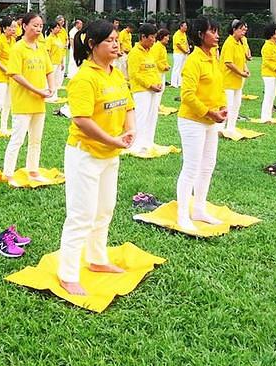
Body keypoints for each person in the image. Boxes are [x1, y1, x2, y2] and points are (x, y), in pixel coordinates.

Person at [57, 19, 133, 296]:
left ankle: (98, 259)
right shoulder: (83, 77)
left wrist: (130, 129)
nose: (116, 44)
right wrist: (113, 139)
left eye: (116, 40)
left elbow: (128, 105)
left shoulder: (115, 73)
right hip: (85, 154)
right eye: (110, 41)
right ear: (92, 45)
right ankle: (68, 274)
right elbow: (81, 120)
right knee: (82, 215)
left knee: (105, 209)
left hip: (110, 154)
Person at [176, 17, 227, 232]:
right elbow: (187, 95)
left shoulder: (213, 57)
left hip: (210, 121)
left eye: (217, 31)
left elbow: (219, 86)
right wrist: (208, 112)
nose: (217, 35)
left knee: (208, 166)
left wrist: (222, 107)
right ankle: (182, 215)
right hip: (192, 121)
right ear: (200, 35)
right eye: (212, 31)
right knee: (191, 167)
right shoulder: (193, 61)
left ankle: (199, 208)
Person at [3, 12, 53, 181]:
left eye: (40, 26)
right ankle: (8, 173)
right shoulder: (18, 48)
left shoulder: (41, 47)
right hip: (23, 101)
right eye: (35, 25)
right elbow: (15, 74)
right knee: (17, 139)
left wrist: (51, 88)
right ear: (24, 26)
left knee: (36, 139)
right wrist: (37, 90)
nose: (38, 29)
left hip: (39, 102)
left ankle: (33, 170)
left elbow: (49, 69)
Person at [127, 23, 162, 154]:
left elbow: (154, 69)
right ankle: (137, 144)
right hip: (141, 90)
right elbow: (134, 74)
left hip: (154, 89)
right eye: (151, 37)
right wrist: (149, 85)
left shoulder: (151, 52)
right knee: (141, 117)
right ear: (143, 37)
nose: (153, 40)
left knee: (152, 116)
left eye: (154, 37)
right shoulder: (135, 53)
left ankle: (148, 142)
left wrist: (158, 83)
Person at [220, 20, 250, 139]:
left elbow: (242, 59)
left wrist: (245, 69)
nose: (244, 32)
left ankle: (231, 128)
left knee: (236, 104)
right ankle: (221, 128)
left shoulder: (241, 42)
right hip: (228, 80)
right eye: (241, 29)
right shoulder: (229, 43)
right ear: (234, 30)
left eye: (245, 30)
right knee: (227, 105)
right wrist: (241, 73)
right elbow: (228, 63)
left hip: (237, 80)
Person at [260, 23, 276, 122]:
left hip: (275, 74)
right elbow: (267, 61)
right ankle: (265, 117)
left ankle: (269, 115)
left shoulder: (275, 45)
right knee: (268, 95)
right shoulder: (267, 46)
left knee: (273, 95)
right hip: (268, 74)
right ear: (272, 33)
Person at [47, 18, 68, 100]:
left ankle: (54, 95)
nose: (58, 29)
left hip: (59, 62)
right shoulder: (49, 39)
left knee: (57, 80)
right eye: (56, 27)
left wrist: (62, 62)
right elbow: (47, 52)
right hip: (52, 62)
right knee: (51, 80)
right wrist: (48, 63)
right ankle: (49, 96)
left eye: (58, 27)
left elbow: (61, 50)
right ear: (52, 29)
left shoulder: (58, 38)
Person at [170, 20, 190, 88]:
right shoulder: (177, 34)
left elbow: (185, 42)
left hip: (184, 53)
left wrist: (188, 49)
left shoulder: (184, 34)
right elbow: (178, 44)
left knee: (182, 68)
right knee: (177, 68)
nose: (186, 27)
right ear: (181, 26)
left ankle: (180, 83)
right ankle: (174, 83)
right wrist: (184, 51)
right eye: (185, 26)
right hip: (178, 53)